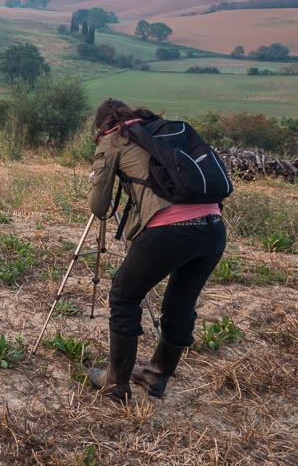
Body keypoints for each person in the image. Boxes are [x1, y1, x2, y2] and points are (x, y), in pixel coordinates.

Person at [84, 99, 226, 402]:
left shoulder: (114, 138)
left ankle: (115, 382)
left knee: (124, 294)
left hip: (171, 230)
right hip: (213, 227)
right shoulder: (160, 132)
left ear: (102, 125)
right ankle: (156, 375)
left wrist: (98, 177)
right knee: (180, 304)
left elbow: (99, 206)